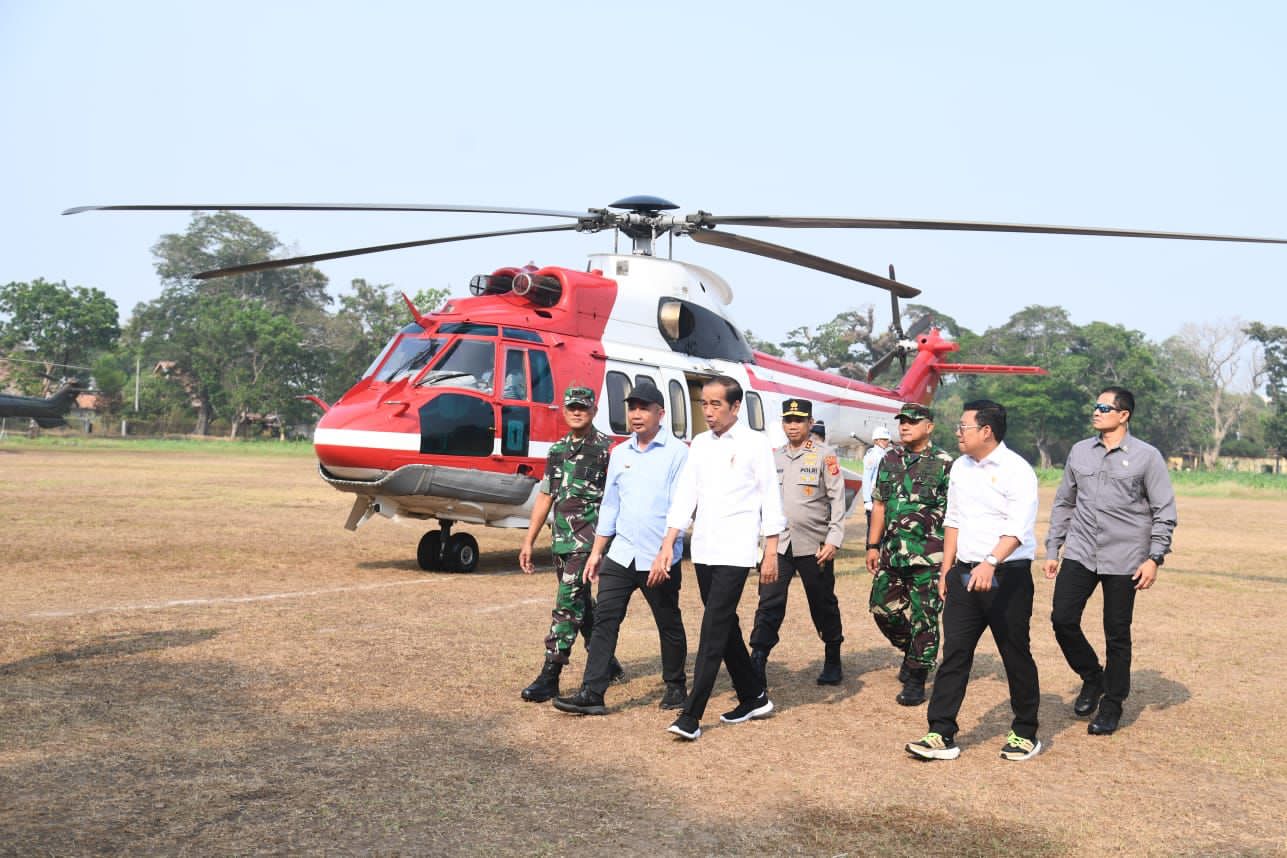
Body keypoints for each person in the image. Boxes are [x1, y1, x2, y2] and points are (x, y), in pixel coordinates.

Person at [905, 399, 1042, 762]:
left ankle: (1025, 732)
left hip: (1006, 576)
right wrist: (946, 570)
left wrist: (990, 562)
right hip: (964, 574)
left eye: (963, 427)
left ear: (986, 431)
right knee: (955, 653)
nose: (958, 433)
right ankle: (940, 732)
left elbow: (1018, 529)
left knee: (1014, 653)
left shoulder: (1017, 470)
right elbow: (953, 519)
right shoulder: (961, 468)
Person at [655, 376, 787, 741]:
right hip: (704, 548)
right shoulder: (699, 443)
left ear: (735, 406)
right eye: (705, 404)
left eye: (716, 404)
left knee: (712, 628)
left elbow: (770, 499)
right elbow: (686, 495)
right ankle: (753, 695)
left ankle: (691, 715)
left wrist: (771, 550)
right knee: (725, 625)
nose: (709, 411)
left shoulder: (755, 443)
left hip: (736, 550)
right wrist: (669, 542)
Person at [1045, 387, 1177, 736]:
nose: (1096, 411)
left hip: (1126, 557)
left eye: (1104, 407)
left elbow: (1164, 511)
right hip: (1081, 551)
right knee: (1062, 619)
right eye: (1096, 406)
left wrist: (1154, 558)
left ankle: (1112, 703)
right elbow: (1064, 502)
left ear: (1124, 415)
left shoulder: (1147, 456)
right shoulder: (1079, 451)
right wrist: (1053, 548)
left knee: (1117, 633)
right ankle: (1092, 676)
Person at [553, 381, 690, 715]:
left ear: (660, 413)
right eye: (632, 408)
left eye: (644, 408)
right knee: (605, 620)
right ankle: (592, 692)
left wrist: (667, 550)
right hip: (622, 553)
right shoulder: (620, 453)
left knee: (668, 621)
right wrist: (597, 551)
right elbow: (611, 505)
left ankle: (675, 686)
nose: (636, 415)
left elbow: (681, 506)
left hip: (658, 555)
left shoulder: (678, 453)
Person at [518, 385, 621, 702]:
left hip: (588, 542)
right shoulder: (557, 450)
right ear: (564, 411)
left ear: (594, 411)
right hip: (561, 541)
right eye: (572, 407)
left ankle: (550, 674)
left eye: (583, 407)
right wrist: (529, 540)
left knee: (567, 604)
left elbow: (618, 497)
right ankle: (606, 662)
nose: (577, 412)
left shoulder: (607, 450)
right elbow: (546, 496)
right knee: (581, 603)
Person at [749, 398, 846, 688]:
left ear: (809, 423)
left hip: (814, 545)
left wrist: (834, 539)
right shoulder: (774, 457)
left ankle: (832, 655)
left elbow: (837, 499)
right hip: (779, 545)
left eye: (799, 421)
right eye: (788, 421)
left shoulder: (824, 455)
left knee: (822, 603)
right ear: (782, 423)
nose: (793, 426)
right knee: (769, 602)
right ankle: (758, 659)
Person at [866, 402, 954, 706]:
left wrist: (950, 559)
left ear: (929, 427)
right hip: (892, 553)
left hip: (929, 557)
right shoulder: (889, 458)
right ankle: (912, 652)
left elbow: (955, 515)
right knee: (882, 609)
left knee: (924, 618)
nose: (904, 426)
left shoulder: (944, 463)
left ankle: (917, 677)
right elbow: (879, 504)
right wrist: (872, 545)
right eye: (902, 421)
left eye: (912, 421)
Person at [862, 426, 894, 535]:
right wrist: (867, 501)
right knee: (873, 530)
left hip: (883, 496)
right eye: (884, 439)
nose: (886, 442)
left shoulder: (885, 454)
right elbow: (867, 479)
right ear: (876, 440)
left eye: (887, 439)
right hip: (874, 497)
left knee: (881, 530)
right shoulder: (872, 455)